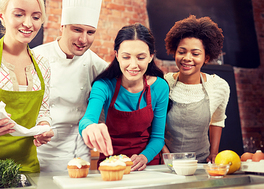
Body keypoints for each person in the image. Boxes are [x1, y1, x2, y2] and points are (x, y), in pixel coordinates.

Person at [0, 0, 54, 176]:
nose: (29, 23)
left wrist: (44, 127)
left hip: (25, 170)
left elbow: (43, 111)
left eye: (36, 16)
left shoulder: (42, 64)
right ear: (2, 15)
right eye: (19, 14)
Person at [32, 0, 108, 172]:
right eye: (77, 30)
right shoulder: (36, 57)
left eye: (90, 32)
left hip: (79, 156)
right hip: (38, 154)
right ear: (63, 26)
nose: (84, 39)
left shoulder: (97, 65)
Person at [79, 23, 169, 171]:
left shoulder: (160, 87)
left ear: (151, 57)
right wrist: (89, 127)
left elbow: (158, 137)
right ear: (117, 56)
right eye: (126, 57)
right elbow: (87, 119)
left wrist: (144, 157)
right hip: (111, 164)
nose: (133, 65)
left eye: (141, 57)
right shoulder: (104, 85)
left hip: (147, 165)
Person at [162, 15, 230, 163]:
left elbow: (217, 120)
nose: (187, 58)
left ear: (206, 57)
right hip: (166, 164)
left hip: (202, 164)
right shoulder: (163, 84)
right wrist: (166, 157)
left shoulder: (218, 86)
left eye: (195, 53)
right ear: (174, 52)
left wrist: (214, 153)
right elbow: (153, 125)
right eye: (182, 52)